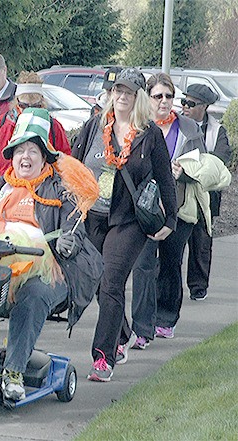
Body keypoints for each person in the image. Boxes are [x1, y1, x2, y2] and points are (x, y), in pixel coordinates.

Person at [0, 107, 102, 400]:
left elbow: (73, 227)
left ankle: (14, 369)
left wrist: (68, 242)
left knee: (33, 295)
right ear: (11, 156)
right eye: (20, 150)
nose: (25, 157)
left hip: (42, 264)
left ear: (44, 157)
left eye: (33, 151)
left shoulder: (59, 189)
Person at [72, 68, 178, 381]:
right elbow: (74, 168)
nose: (121, 96)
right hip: (93, 216)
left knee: (112, 280)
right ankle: (121, 335)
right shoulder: (94, 126)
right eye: (117, 90)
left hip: (129, 220)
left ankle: (102, 359)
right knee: (98, 285)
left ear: (138, 97)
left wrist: (170, 217)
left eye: (129, 92)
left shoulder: (149, 134)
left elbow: (164, 178)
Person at [129, 73, 208, 347]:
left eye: (169, 96)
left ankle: (166, 317)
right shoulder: (138, 127)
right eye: (158, 96)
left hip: (179, 207)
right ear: (147, 98)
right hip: (145, 211)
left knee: (170, 264)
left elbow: (202, 166)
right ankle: (141, 327)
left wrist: (183, 172)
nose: (164, 102)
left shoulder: (188, 128)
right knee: (143, 266)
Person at [182, 84, 232, 301]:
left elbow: (219, 161)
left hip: (206, 195)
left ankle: (198, 287)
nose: (184, 107)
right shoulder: (177, 126)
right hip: (181, 191)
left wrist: (193, 169)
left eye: (190, 104)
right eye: (183, 102)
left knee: (201, 242)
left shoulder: (217, 131)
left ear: (204, 107)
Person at [0, 71, 71, 174]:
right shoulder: (2, 124)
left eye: (35, 106)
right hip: (7, 184)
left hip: (43, 186)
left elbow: (65, 163)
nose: (30, 111)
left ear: (42, 103)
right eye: (25, 106)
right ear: (17, 102)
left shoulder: (53, 126)